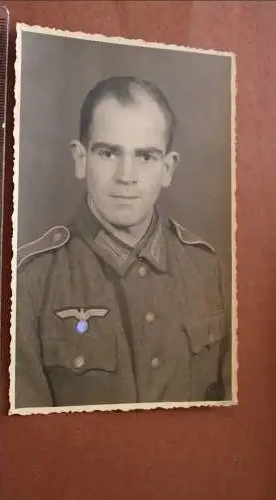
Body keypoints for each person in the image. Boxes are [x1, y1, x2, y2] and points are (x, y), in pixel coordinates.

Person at [15, 76, 231, 409]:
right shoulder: (30, 280)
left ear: (168, 168)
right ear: (81, 158)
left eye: (145, 156)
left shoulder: (205, 267)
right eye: (108, 153)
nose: (126, 175)